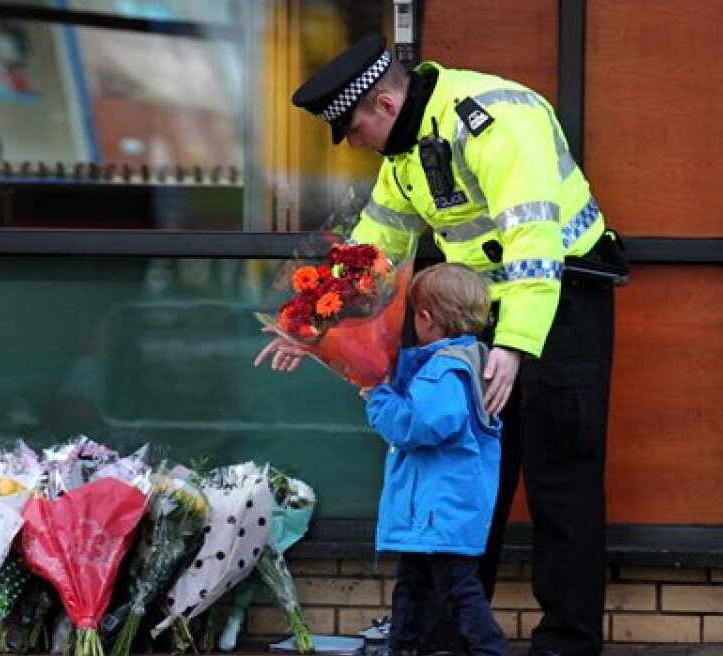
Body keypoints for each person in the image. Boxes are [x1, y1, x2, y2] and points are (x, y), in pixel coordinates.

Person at [256, 33, 626, 656]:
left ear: (381, 103)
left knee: (562, 484)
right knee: (467, 477)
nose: (352, 143)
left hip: (561, 309)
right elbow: (376, 244)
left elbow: (534, 237)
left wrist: (513, 345)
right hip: (481, 319)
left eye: (351, 128)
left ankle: (568, 643)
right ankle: (454, 637)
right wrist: (310, 325)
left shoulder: (493, 120)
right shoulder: (406, 155)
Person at [363, 262, 508, 656]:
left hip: (437, 509)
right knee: (414, 585)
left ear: (426, 318)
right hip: (438, 508)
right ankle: (403, 647)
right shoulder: (468, 360)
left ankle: (490, 650)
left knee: (457, 590)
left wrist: (377, 396)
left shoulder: (444, 369)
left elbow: (419, 426)